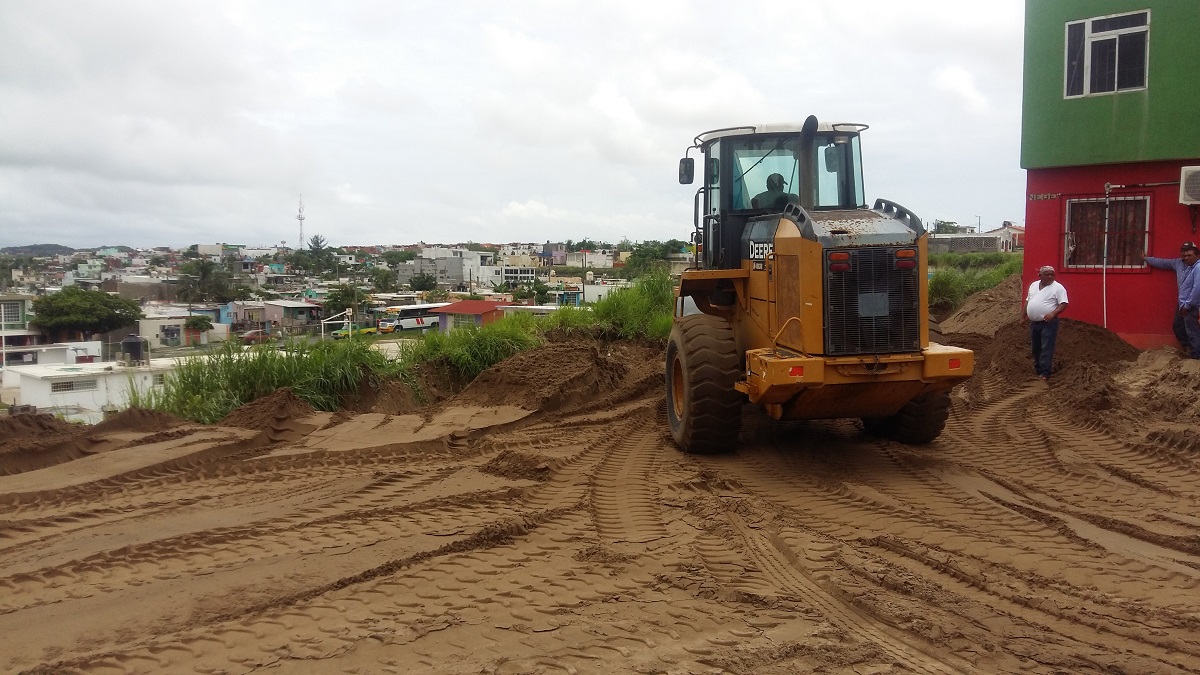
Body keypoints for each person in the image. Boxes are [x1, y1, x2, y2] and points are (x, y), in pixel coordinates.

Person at [1144, 242, 1200, 356]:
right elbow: (1162, 263)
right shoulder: (1178, 263)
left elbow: (1196, 288)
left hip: (1191, 303)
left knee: (1192, 328)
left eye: (1189, 253)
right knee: (1177, 326)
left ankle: (1196, 353)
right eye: (1184, 252)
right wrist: (1146, 259)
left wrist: (1188, 304)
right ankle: (1188, 346)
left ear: (1196, 254)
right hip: (1182, 303)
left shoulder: (1196, 267)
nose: (1186, 255)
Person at [1021, 265, 1068, 382]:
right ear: (1040, 275)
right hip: (1034, 323)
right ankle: (1038, 369)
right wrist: (1022, 316)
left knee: (1046, 347)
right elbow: (1028, 302)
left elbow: (1064, 303)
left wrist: (1053, 313)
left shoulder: (1058, 288)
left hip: (1048, 323)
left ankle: (1045, 373)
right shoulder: (1033, 286)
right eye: (1047, 274)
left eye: (1052, 274)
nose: (1050, 276)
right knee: (1035, 348)